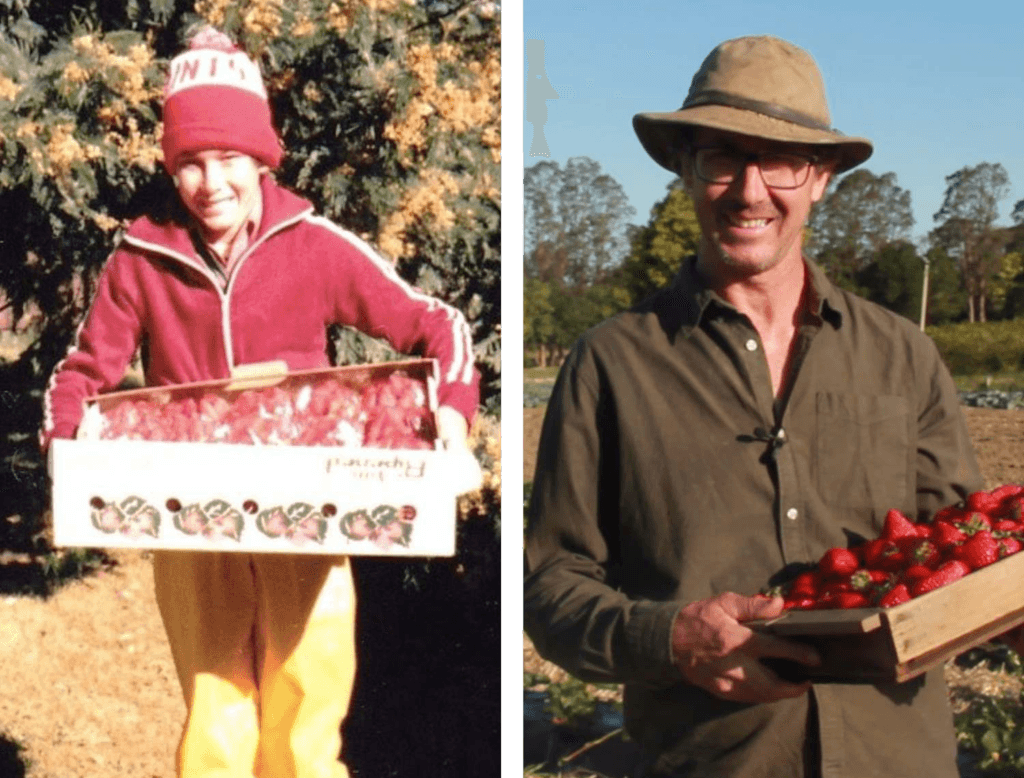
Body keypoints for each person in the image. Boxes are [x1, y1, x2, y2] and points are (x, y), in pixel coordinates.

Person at [523, 35, 983, 778]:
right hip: (710, 759)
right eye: (721, 158)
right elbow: (551, 584)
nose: (750, 189)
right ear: (685, 169)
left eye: (782, 161)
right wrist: (671, 639)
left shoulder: (904, 355)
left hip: (897, 758)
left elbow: (963, 548)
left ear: (821, 178)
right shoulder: (612, 363)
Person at [41, 26, 479, 778]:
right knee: (215, 713)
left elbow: (436, 325)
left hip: (309, 510)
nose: (210, 182)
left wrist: (453, 414)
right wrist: (66, 445)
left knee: (307, 707)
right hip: (190, 518)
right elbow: (83, 373)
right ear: (171, 167)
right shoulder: (142, 259)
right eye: (190, 162)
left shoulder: (312, 244)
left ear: (261, 158)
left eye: (229, 158)